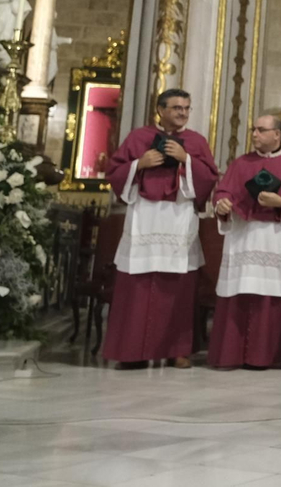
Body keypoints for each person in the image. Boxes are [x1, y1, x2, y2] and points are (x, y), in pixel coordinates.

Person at [101, 88, 218, 370]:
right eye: (177, 108)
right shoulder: (138, 138)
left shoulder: (195, 141)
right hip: (145, 216)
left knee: (178, 288)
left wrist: (186, 159)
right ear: (161, 110)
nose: (183, 113)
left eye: (187, 108)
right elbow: (114, 172)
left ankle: (177, 350)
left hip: (178, 217)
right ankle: (133, 352)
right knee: (137, 286)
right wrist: (139, 164)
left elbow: (209, 177)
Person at [210, 114, 281, 369]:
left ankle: (275, 354)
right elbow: (223, 190)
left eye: (260, 130)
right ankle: (234, 354)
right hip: (244, 236)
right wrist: (221, 202)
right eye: (253, 130)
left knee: (275, 296)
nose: (254, 134)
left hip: (277, 237)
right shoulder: (241, 163)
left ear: (277, 135)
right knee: (241, 292)